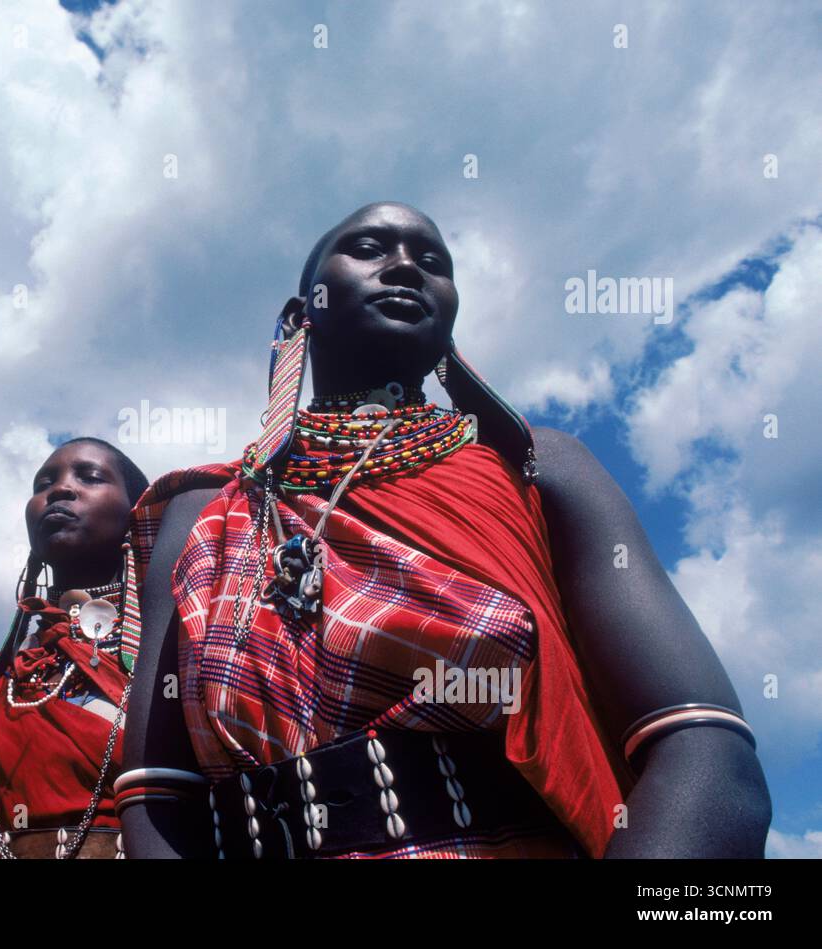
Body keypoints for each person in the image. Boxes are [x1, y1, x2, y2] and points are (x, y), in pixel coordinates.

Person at [118, 203, 772, 859]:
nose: (404, 265)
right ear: (300, 314)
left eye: (432, 261)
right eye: (370, 247)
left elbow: (706, 752)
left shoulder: (535, 470)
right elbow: (156, 795)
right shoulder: (204, 510)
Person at [0, 437, 149, 858]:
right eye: (44, 482)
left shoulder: (175, 660)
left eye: (90, 477)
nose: (58, 489)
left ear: (137, 513)